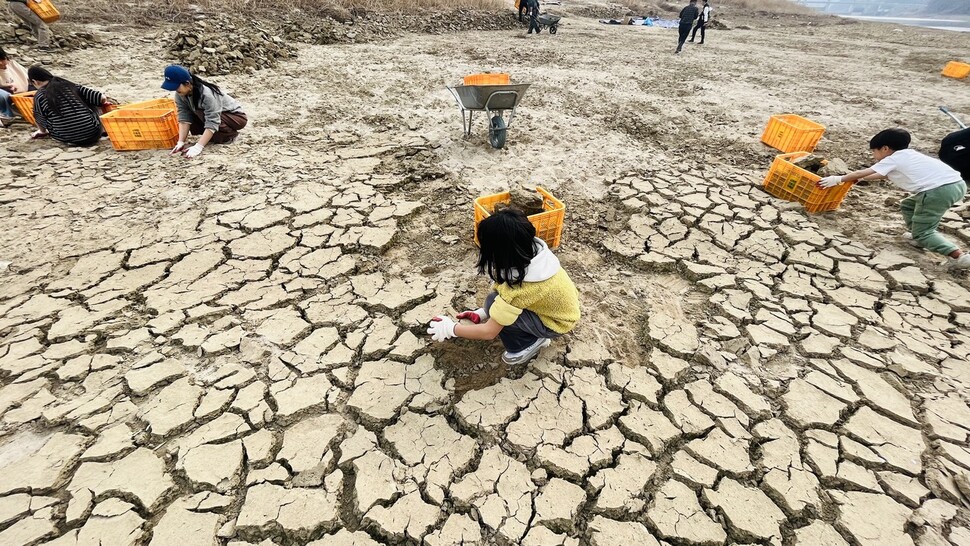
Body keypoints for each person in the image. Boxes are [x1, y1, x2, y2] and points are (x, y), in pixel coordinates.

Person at [426, 208, 581, 365]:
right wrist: (481, 314)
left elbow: (489, 332)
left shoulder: (520, 289)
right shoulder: (535, 256)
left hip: (556, 323)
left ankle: (529, 344)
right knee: (494, 301)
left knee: (505, 318)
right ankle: (527, 329)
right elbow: (500, 293)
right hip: (561, 309)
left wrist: (451, 329)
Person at [819, 128, 970, 270]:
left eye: (874, 151)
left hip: (937, 191)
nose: (873, 155)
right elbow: (882, 174)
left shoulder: (893, 158)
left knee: (925, 232)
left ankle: (958, 256)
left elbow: (861, 172)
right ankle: (918, 237)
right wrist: (856, 180)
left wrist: (838, 179)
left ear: (885, 148)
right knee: (908, 205)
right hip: (956, 184)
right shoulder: (908, 155)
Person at [161, 65, 247, 159]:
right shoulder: (181, 94)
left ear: (187, 83)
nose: (176, 91)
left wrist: (199, 147)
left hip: (236, 117)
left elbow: (212, 120)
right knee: (194, 114)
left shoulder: (206, 94)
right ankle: (215, 136)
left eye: (177, 87)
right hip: (216, 117)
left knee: (201, 113)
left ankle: (231, 135)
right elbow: (184, 117)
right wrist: (180, 142)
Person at [28, 65, 112, 146]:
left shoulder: (39, 96)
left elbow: (39, 118)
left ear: (35, 81)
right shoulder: (70, 85)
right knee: (94, 102)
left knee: (43, 114)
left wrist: (42, 131)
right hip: (93, 134)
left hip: (66, 137)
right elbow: (101, 98)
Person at [0, 46, 29, 126]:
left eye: (2, 60)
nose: (1, 63)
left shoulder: (12, 65)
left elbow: (27, 77)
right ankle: (6, 115)